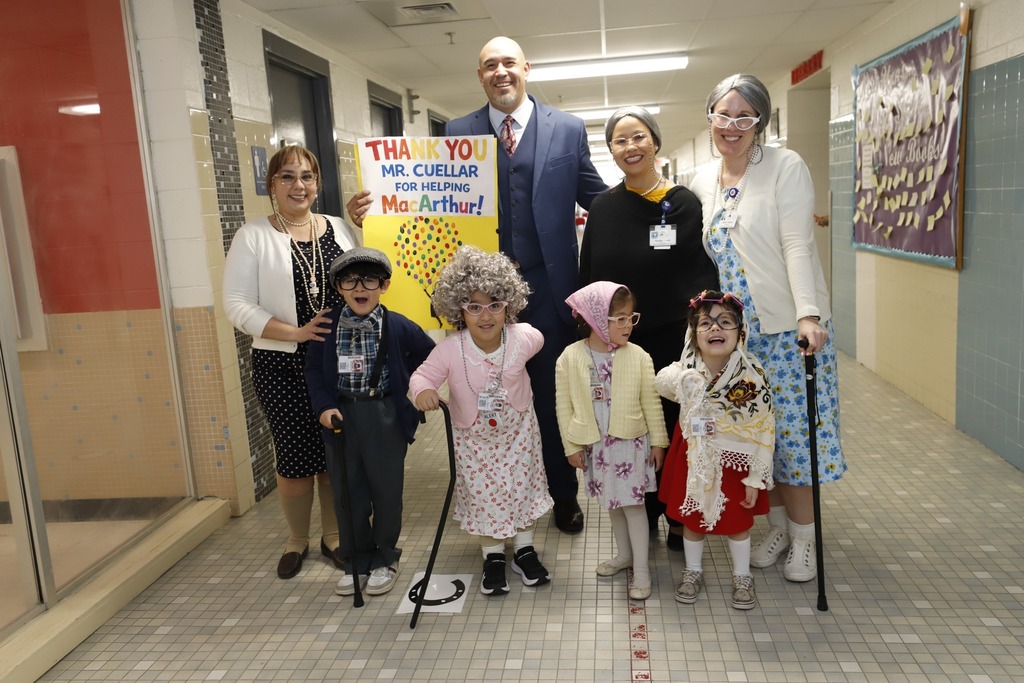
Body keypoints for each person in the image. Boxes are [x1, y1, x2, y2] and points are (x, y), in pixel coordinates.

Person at [349, 36, 609, 533]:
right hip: (479, 302)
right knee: (483, 397)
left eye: (509, 62)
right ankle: (493, 498)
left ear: (527, 68)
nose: (500, 72)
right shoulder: (457, 133)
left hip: (548, 294)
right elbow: (425, 198)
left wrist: (652, 204)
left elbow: (598, 199)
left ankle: (562, 495)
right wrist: (373, 211)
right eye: (490, 65)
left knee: (550, 398)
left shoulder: (568, 129)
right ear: (480, 75)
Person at [689, 74, 846, 583]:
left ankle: (804, 541)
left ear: (760, 122)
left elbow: (798, 244)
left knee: (795, 442)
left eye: (744, 116)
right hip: (739, 339)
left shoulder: (785, 166)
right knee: (759, 438)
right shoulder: (704, 179)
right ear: (709, 117)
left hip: (785, 331)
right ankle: (778, 528)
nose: (731, 125)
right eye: (723, 114)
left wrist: (808, 315)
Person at [579, 105, 719, 545]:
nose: (630, 147)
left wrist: (705, 333)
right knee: (631, 427)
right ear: (611, 151)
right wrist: (594, 336)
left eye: (638, 136)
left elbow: (701, 273)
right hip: (622, 341)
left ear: (655, 141)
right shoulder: (603, 208)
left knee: (677, 428)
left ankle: (679, 514)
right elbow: (590, 278)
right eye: (619, 141)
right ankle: (641, 514)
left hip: (676, 339)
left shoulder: (684, 203)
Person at [223, 145, 357, 579]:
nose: (298, 185)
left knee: (334, 453)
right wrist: (296, 333)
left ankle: (333, 537)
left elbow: (367, 280)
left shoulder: (340, 227)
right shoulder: (253, 235)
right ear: (272, 185)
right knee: (296, 458)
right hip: (281, 366)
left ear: (318, 183)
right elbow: (236, 305)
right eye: (287, 177)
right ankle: (296, 540)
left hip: (339, 361)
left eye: (307, 176)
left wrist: (365, 223)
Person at [410, 246, 553, 596]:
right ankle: (493, 556)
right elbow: (421, 375)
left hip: (520, 435)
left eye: (495, 305)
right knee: (483, 497)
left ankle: (524, 550)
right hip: (474, 442)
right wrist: (423, 391)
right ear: (458, 308)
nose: (485, 316)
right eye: (474, 307)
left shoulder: (523, 338)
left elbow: (538, 337)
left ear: (509, 306)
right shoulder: (450, 349)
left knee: (523, 489)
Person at [304, 247, 435, 597]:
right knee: (348, 494)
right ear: (339, 287)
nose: (360, 287)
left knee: (386, 491)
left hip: (384, 415)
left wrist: (412, 385)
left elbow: (429, 355)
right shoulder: (326, 327)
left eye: (370, 280)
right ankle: (356, 560)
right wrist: (323, 406)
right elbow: (313, 370)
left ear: (384, 285)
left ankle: (385, 558)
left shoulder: (398, 325)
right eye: (349, 280)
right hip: (340, 419)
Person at [655, 290, 774, 610]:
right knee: (693, 521)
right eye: (705, 323)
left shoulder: (752, 376)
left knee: (738, 524)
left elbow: (764, 427)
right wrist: (684, 379)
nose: (715, 328)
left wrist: (755, 477)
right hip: (694, 456)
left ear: (740, 332)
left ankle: (742, 575)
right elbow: (662, 381)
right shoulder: (687, 368)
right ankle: (692, 571)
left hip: (737, 460)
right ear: (694, 335)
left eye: (725, 322)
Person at [554, 281, 668, 600]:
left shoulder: (639, 356)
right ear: (594, 319)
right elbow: (564, 406)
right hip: (597, 448)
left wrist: (659, 442)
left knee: (633, 507)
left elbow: (651, 402)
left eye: (631, 317)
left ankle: (641, 570)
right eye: (619, 318)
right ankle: (625, 555)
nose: (628, 325)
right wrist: (571, 447)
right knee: (613, 506)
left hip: (631, 445)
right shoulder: (569, 358)